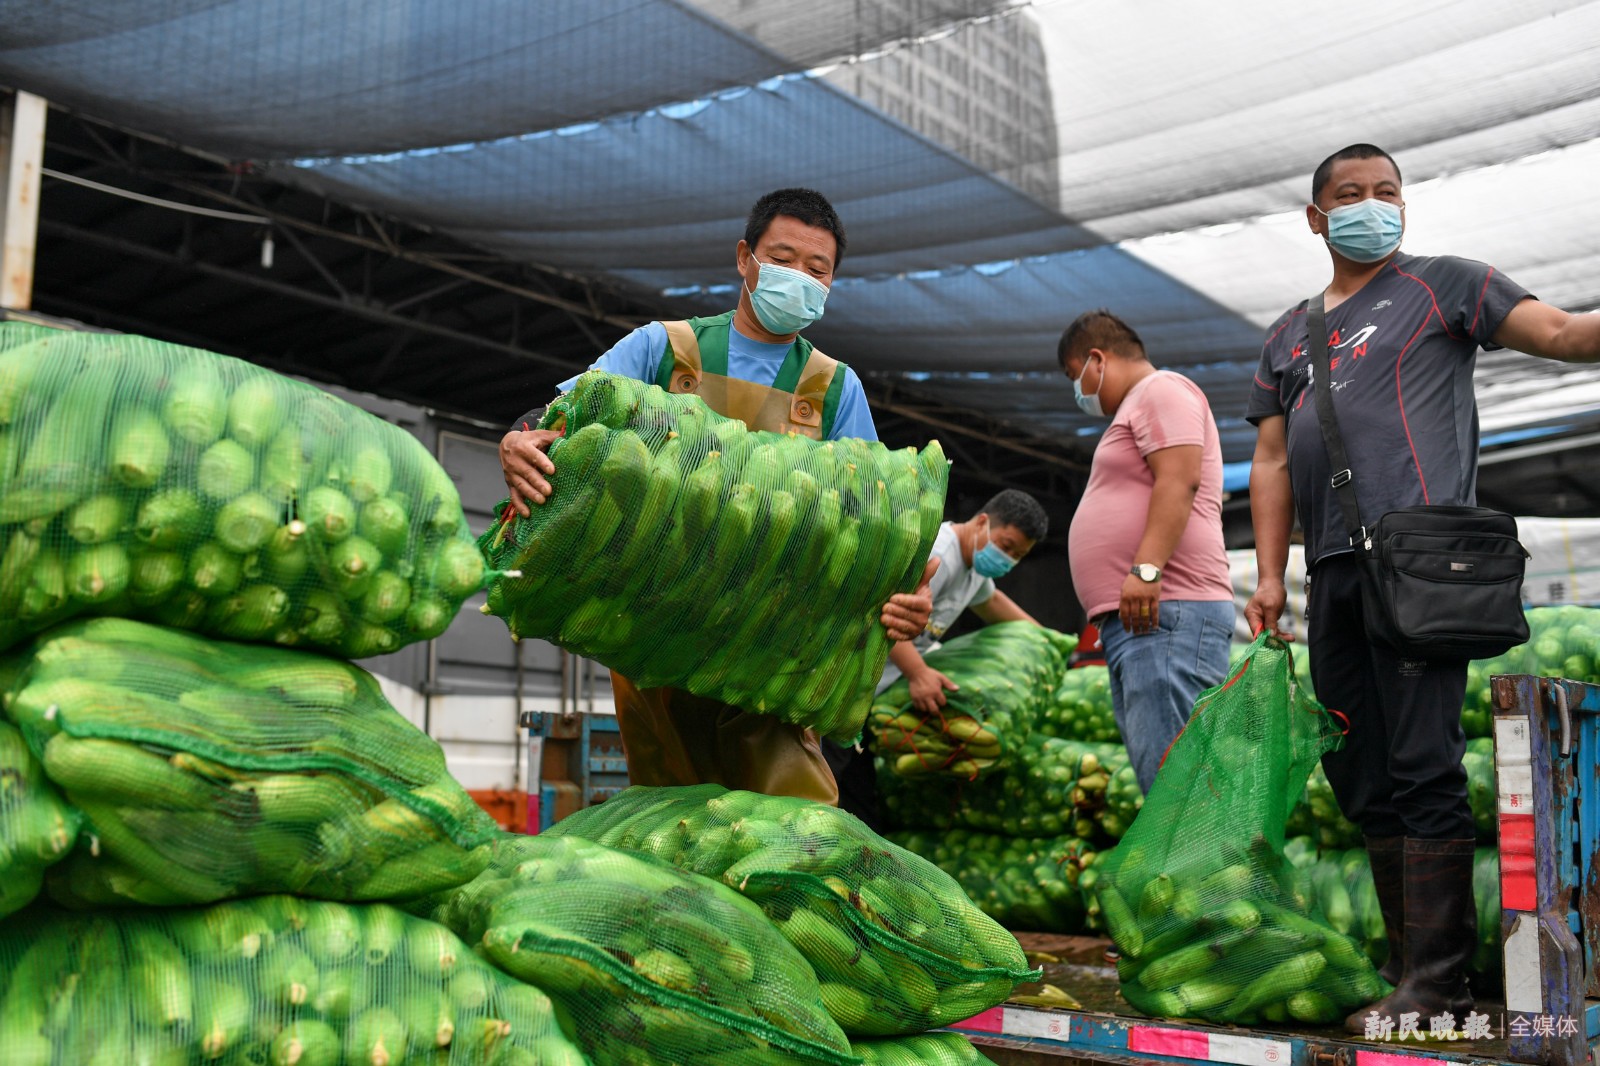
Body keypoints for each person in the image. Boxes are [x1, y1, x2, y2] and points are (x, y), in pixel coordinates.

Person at [1243, 143, 1600, 1034]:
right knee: (1360, 772)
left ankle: (1437, 980)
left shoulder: (1448, 285)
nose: (1373, 205)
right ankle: (1409, 966)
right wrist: (1265, 573)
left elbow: (1560, 335)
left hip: (1425, 562)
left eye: (1388, 192)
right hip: (1330, 573)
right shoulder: (1288, 332)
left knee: (1422, 762)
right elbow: (1273, 456)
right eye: (1352, 195)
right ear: (1318, 218)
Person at [498, 187, 936, 805]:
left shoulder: (836, 390)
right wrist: (518, 439)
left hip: (774, 650)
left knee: (787, 823)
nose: (800, 279)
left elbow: (869, 527)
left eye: (818, 270)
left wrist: (907, 597)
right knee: (670, 819)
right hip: (652, 632)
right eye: (784, 260)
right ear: (744, 258)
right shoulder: (666, 349)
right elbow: (564, 417)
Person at [1058, 310, 1234, 796]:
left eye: (1077, 377)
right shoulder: (1142, 404)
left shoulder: (1160, 391)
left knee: (1179, 787)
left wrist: (1148, 568)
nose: (1080, 391)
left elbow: (1180, 479)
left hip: (1167, 608)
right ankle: (1190, 872)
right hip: (1145, 619)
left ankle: (1202, 873)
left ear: (1098, 359)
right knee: (1166, 778)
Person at [824, 489, 1049, 826]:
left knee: (856, 799)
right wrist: (918, 674)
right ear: (983, 522)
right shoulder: (939, 555)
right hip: (844, 689)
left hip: (871, 696)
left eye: (1018, 555)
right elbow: (883, 613)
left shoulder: (974, 568)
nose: (1008, 559)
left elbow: (993, 604)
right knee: (825, 783)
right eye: (1005, 546)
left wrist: (1047, 639)